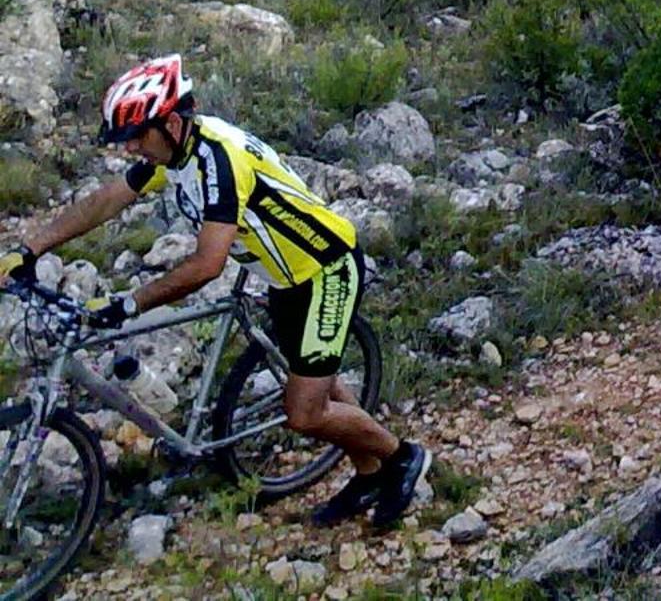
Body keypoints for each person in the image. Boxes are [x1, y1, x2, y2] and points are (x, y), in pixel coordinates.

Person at [0, 55, 431, 530]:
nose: (130, 150)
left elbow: (207, 265)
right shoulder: (173, 153)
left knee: (304, 413)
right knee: (319, 380)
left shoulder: (218, 159)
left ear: (170, 123)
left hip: (325, 269)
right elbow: (105, 202)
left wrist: (130, 303)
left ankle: (403, 456)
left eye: (136, 136)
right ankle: (369, 471)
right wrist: (30, 248)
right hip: (282, 277)